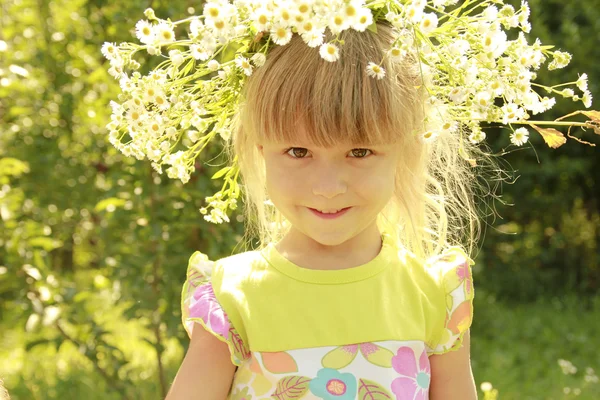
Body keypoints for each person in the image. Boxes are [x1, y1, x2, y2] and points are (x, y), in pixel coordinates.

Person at [165, 19, 482, 400]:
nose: (328, 188)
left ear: (406, 149)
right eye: (299, 152)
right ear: (261, 148)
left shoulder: (434, 296)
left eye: (359, 152)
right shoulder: (232, 299)